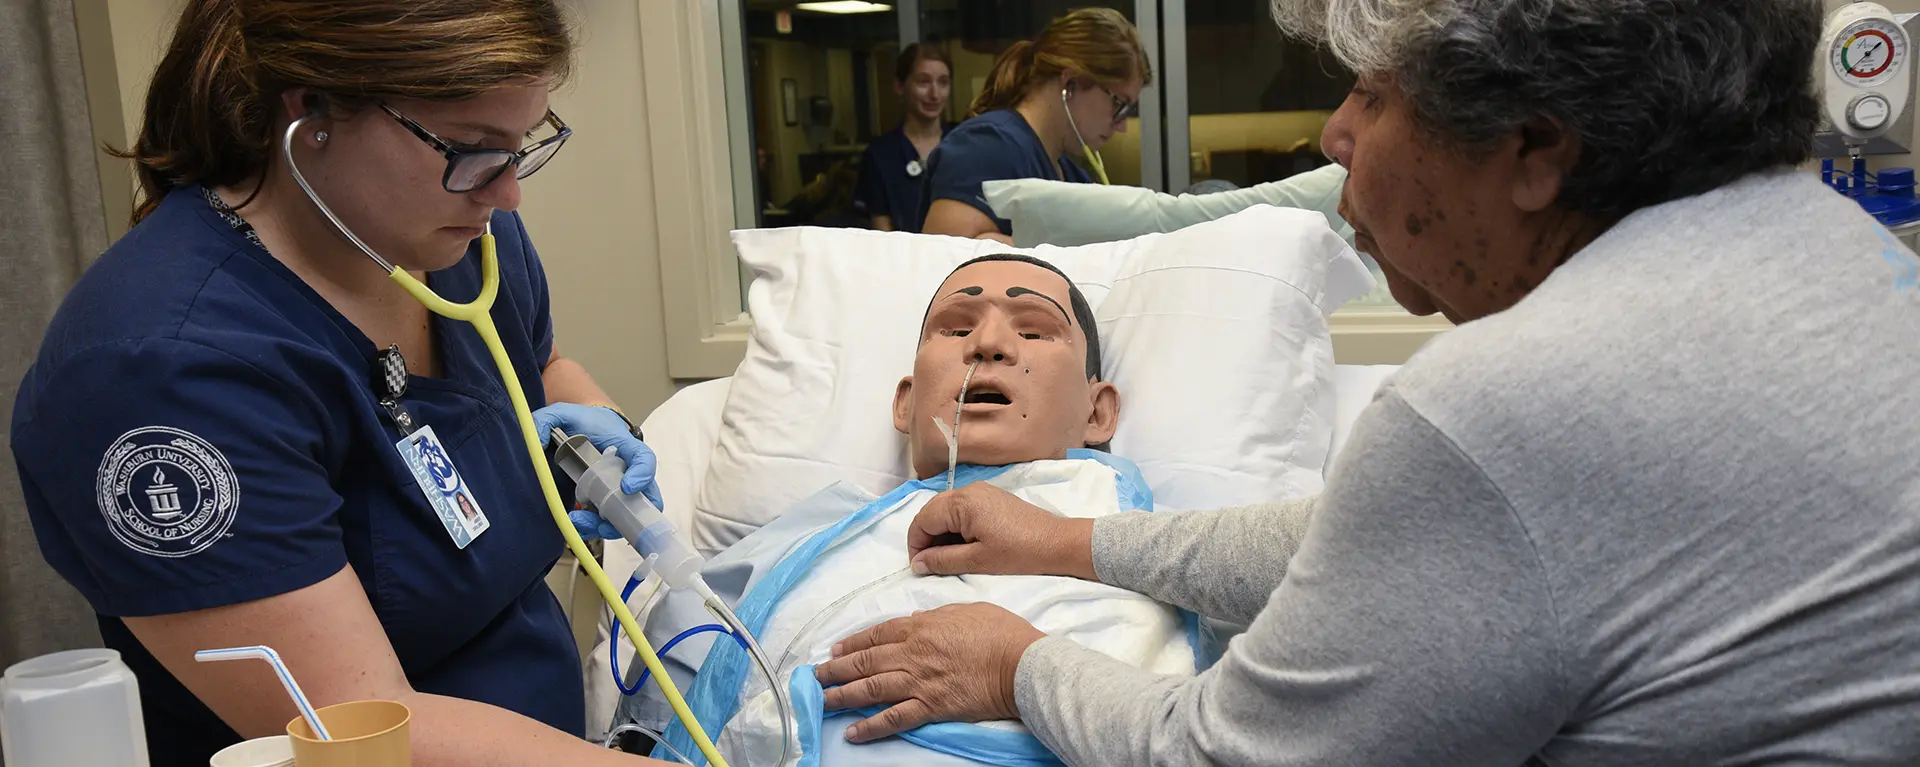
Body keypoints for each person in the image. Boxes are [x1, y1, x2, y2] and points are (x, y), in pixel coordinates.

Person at [813, 0, 1920, 764]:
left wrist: (1017, 663)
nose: (1335, 133)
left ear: (1535, 148)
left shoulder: (1512, 405)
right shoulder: (1830, 245)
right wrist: (1069, 542)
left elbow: (1226, 752)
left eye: (1377, 98)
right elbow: (1373, 542)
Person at [8, 2, 674, 766]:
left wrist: (594, 420)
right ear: (312, 114)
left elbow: (538, 362)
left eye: (521, 145)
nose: (506, 193)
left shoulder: (457, 239)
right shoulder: (158, 372)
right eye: (470, 149)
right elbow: (360, 727)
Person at [616, 256, 1205, 766]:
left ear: (1098, 413)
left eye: (1034, 330)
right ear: (906, 403)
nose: (988, 344)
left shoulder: (1180, 554)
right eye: (956, 327)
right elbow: (677, 663)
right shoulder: (802, 543)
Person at [917, 8, 1151, 243]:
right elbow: (951, 252)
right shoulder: (984, 148)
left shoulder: (1072, 177)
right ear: (1071, 83)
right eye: (1119, 104)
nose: (1122, 126)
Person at [854, 43, 954, 233]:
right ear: (899, 86)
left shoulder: (963, 148)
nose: (934, 94)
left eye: (943, 83)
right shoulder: (880, 156)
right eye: (923, 82)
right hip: (900, 251)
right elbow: (881, 232)